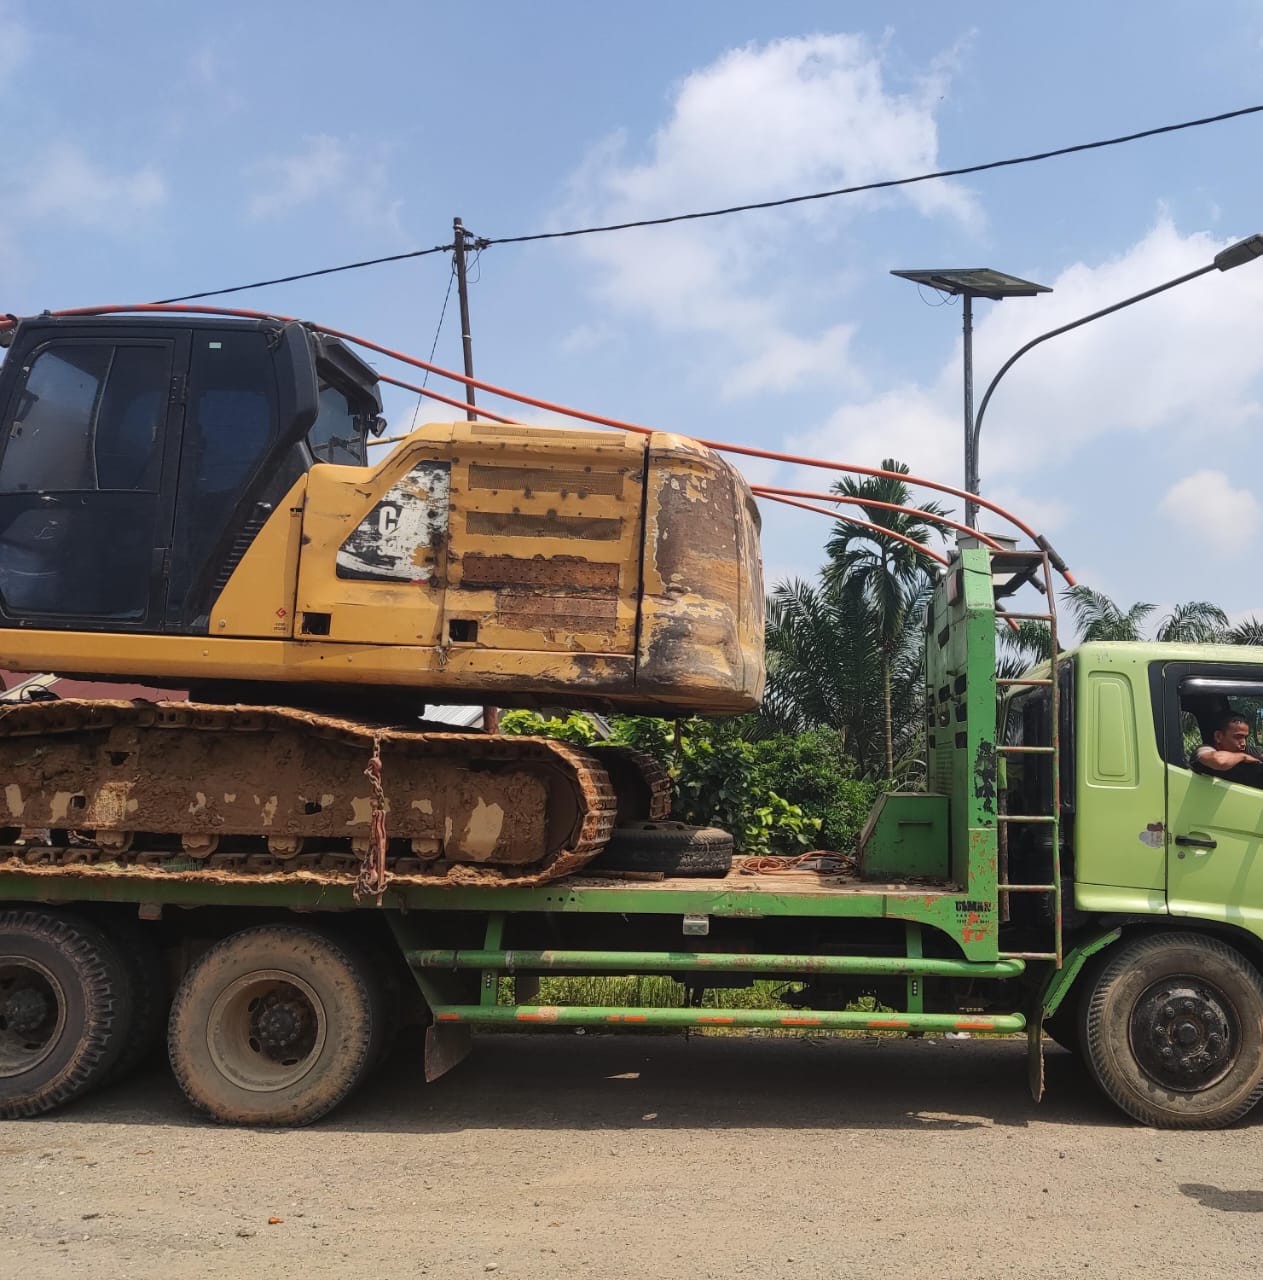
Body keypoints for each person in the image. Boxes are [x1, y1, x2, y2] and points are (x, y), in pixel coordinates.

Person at [1190, 709, 1263, 788]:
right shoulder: (1204, 750)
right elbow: (1220, 761)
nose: (1243, 743)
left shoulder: (1247, 751)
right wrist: (1243, 757)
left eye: (1245, 737)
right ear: (1218, 736)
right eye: (1238, 737)